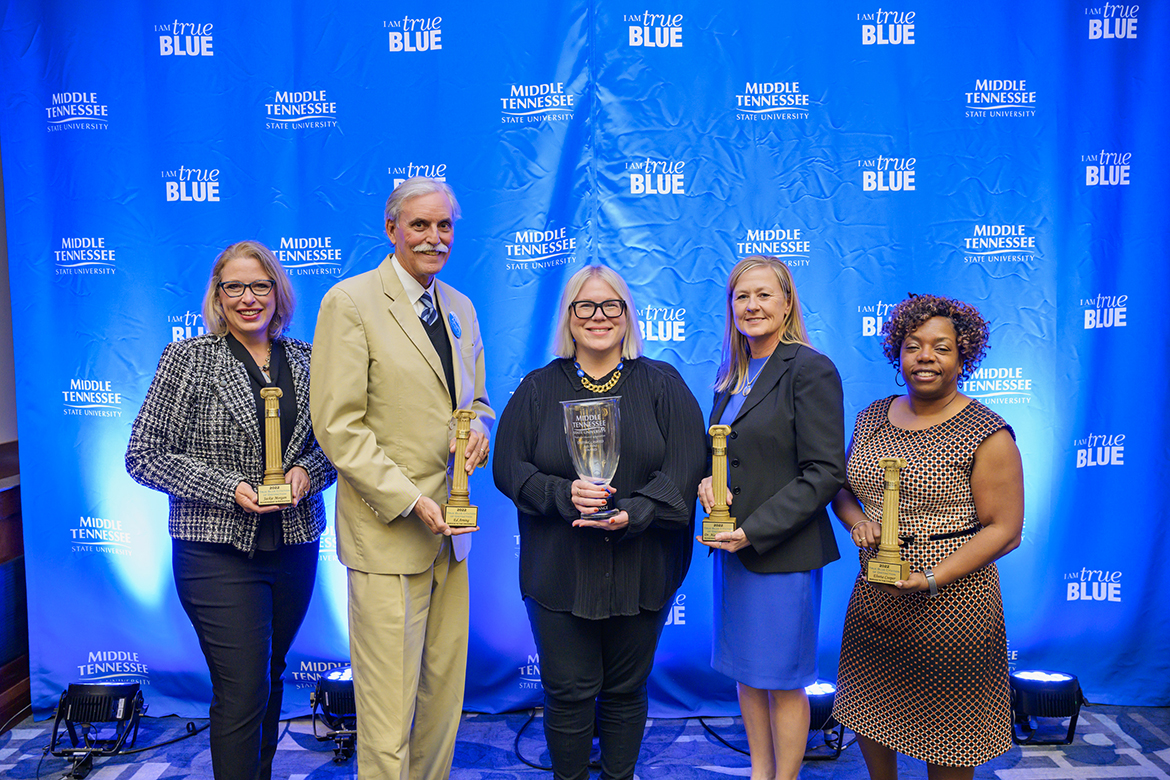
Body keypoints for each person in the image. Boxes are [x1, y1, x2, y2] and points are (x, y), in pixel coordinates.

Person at [126, 240, 336, 780]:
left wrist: (309, 473)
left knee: (268, 676)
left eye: (260, 285)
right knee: (242, 688)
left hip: (294, 546)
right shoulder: (189, 359)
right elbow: (143, 456)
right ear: (217, 297)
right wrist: (229, 486)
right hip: (215, 552)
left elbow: (337, 448)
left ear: (278, 292)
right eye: (234, 287)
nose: (248, 298)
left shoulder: (312, 360)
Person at [310, 177, 493, 780]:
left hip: (453, 537)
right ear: (391, 229)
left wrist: (483, 428)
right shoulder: (351, 301)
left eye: (444, 226)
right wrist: (412, 500)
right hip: (391, 533)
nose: (434, 238)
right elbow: (339, 427)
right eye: (420, 225)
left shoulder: (461, 308)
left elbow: (477, 400)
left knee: (442, 703)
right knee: (388, 714)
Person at [493, 265, 706, 780]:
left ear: (627, 315)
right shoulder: (539, 387)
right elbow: (508, 468)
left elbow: (685, 466)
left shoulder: (662, 383)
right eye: (584, 306)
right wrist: (563, 494)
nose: (598, 317)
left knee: (626, 690)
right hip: (559, 572)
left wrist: (637, 511)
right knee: (566, 693)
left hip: (641, 566)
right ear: (568, 317)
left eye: (611, 305)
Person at [831, 293, 1024, 780]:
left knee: (950, 730)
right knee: (870, 710)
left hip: (954, 605)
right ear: (898, 351)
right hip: (876, 593)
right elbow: (842, 489)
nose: (925, 357)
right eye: (913, 345)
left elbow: (1006, 530)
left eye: (941, 347)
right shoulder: (872, 415)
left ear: (963, 356)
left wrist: (933, 578)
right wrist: (858, 522)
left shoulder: (987, 431)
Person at [696, 256, 845, 780]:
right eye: (742, 296)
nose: (752, 306)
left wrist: (752, 531)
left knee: (783, 679)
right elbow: (723, 458)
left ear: (786, 302)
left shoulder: (809, 367)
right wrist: (705, 484)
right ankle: (761, 772)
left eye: (763, 294)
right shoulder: (729, 376)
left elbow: (824, 472)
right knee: (748, 674)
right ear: (730, 307)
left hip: (780, 552)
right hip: (731, 553)